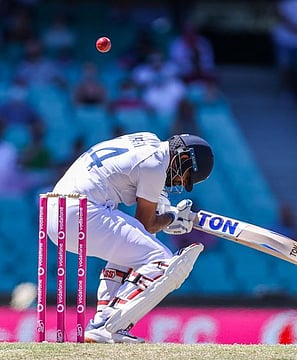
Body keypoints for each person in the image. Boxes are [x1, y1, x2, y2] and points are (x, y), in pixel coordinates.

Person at [46, 132, 214, 343]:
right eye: (186, 175)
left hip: (56, 209)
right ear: (182, 158)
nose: (180, 181)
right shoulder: (155, 164)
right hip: (82, 212)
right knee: (161, 259)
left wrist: (162, 209)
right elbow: (146, 224)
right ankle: (108, 323)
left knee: (134, 251)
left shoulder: (148, 140)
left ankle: (102, 320)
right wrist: (172, 217)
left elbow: (140, 221)